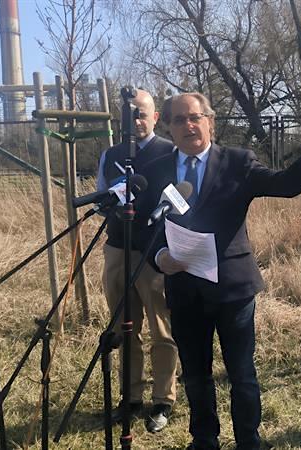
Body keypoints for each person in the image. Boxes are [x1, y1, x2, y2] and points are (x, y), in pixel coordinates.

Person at [146, 92, 301, 450]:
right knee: (195, 375)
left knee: (241, 373)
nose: (188, 125)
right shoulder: (158, 169)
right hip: (183, 288)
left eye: (195, 117)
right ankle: (204, 439)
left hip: (232, 289)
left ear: (210, 122)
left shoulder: (237, 162)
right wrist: (159, 256)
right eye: (179, 120)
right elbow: (144, 227)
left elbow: (283, 184)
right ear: (169, 128)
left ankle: (248, 441)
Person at [95, 89, 178, 433]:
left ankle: (163, 400)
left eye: (142, 114)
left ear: (155, 117)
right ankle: (130, 398)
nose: (136, 121)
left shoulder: (170, 152)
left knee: (161, 328)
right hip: (118, 249)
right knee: (124, 327)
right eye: (129, 115)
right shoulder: (111, 155)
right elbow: (100, 200)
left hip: (154, 253)